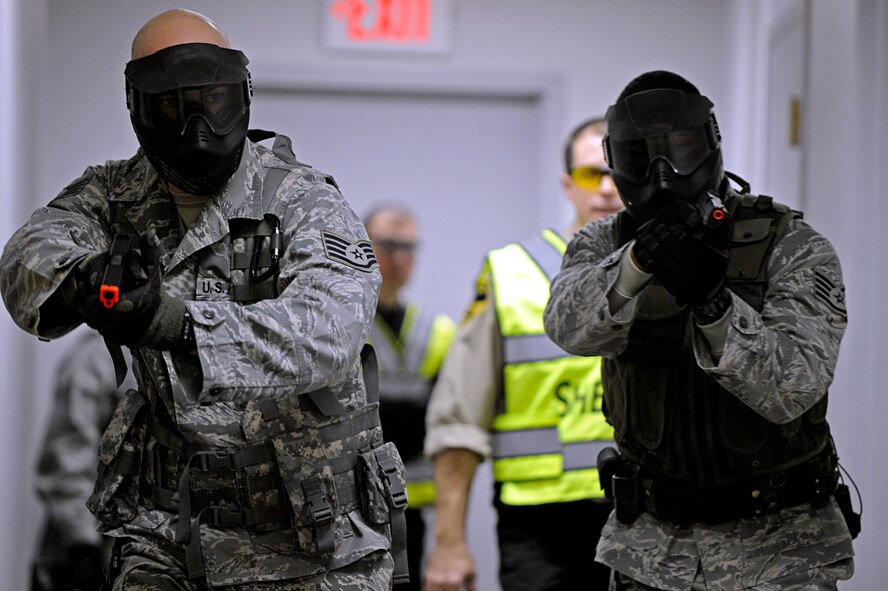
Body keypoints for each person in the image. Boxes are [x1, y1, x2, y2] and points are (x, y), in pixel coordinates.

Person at [0, 9, 408, 590]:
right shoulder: (114, 195)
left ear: (240, 94)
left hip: (311, 546)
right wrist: (82, 280)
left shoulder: (301, 199)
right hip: (166, 533)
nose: (196, 122)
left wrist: (171, 322)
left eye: (210, 97)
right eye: (171, 103)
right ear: (140, 106)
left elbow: (328, 335)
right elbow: (27, 253)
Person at [543, 70, 855, 590]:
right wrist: (639, 262)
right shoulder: (603, 244)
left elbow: (792, 389)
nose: (663, 175)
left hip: (781, 552)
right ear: (618, 163)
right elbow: (570, 330)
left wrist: (713, 305)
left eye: (680, 151)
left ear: (710, 146)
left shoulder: (791, 244)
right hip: (649, 550)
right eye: (642, 159)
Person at [423, 118, 621, 591]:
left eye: (620, 173)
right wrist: (449, 541)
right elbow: (458, 417)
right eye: (594, 174)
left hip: (649, 517)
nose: (609, 189)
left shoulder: (669, 273)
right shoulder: (511, 273)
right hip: (541, 528)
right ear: (568, 184)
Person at [364, 204, 456, 591]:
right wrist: (410, 416)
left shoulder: (439, 330)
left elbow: (441, 420)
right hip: (357, 504)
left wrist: (387, 414)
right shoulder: (343, 325)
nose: (398, 257)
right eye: (386, 244)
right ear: (363, 246)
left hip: (415, 502)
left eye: (408, 247)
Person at [31, 330, 135, 591]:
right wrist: (84, 552)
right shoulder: (97, 359)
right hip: (85, 555)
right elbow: (67, 462)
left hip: (133, 554)